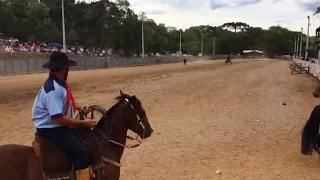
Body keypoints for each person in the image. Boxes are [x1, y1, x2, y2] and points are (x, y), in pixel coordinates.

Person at [31, 52, 97, 175]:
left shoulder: (59, 85)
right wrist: (82, 123)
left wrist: (79, 107)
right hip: (51, 130)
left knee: (87, 140)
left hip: (57, 128)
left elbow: (63, 105)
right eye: (67, 68)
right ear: (62, 69)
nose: (68, 70)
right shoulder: (53, 89)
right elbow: (58, 119)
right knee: (83, 152)